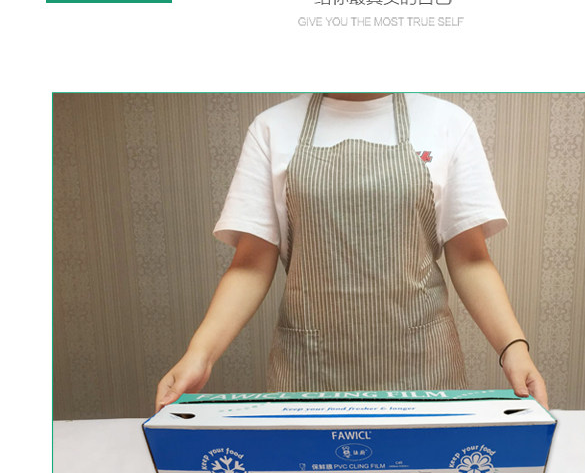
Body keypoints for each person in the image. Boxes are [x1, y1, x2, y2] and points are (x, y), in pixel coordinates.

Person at [155, 93, 548, 411]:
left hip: (423, 371)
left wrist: (513, 349)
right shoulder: (272, 128)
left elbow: (471, 258)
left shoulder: (447, 123)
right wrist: (200, 354)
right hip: (310, 373)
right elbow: (250, 265)